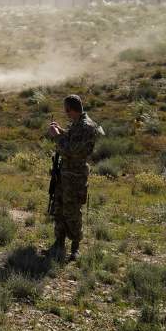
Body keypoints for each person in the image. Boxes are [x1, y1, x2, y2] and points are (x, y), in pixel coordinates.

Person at [47, 94, 101, 261]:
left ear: (72, 109)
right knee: (59, 207)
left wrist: (56, 135)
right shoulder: (78, 124)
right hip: (65, 174)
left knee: (72, 211)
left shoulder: (86, 126)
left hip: (75, 176)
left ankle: (75, 248)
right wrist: (61, 130)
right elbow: (71, 138)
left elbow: (70, 150)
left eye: (67, 110)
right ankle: (59, 243)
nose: (66, 113)